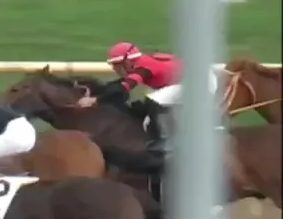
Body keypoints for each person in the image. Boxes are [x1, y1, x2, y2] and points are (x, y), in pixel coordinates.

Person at [76, 42, 208, 150]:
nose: (114, 68)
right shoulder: (141, 63)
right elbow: (120, 84)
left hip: (199, 83)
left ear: (128, 62)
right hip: (190, 80)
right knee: (146, 107)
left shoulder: (144, 67)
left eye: (116, 65)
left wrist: (95, 100)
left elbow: (123, 88)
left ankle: (165, 141)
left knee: (154, 99)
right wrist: (98, 92)